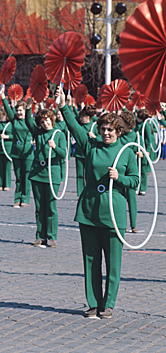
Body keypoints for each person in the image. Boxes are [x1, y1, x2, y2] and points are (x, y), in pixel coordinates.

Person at [58, 88, 138, 319]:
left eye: (110, 130)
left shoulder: (126, 152)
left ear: (119, 131)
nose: (106, 133)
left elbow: (135, 180)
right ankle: (93, 302)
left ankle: (108, 303)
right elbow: (74, 127)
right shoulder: (91, 146)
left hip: (114, 212)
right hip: (90, 210)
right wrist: (64, 105)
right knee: (91, 260)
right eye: (102, 129)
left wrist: (119, 178)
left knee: (113, 262)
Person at [24, 104, 67, 247]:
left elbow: (64, 154)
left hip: (52, 174)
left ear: (52, 119)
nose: (45, 123)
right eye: (42, 121)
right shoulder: (38, 133)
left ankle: (51, 236)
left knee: (51, 207)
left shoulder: (59, 134)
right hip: (37, 173)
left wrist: (55, 147)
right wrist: (28, 108)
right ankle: (40, 235)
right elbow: (28, 122)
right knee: (39, 206)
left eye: (48, 120)